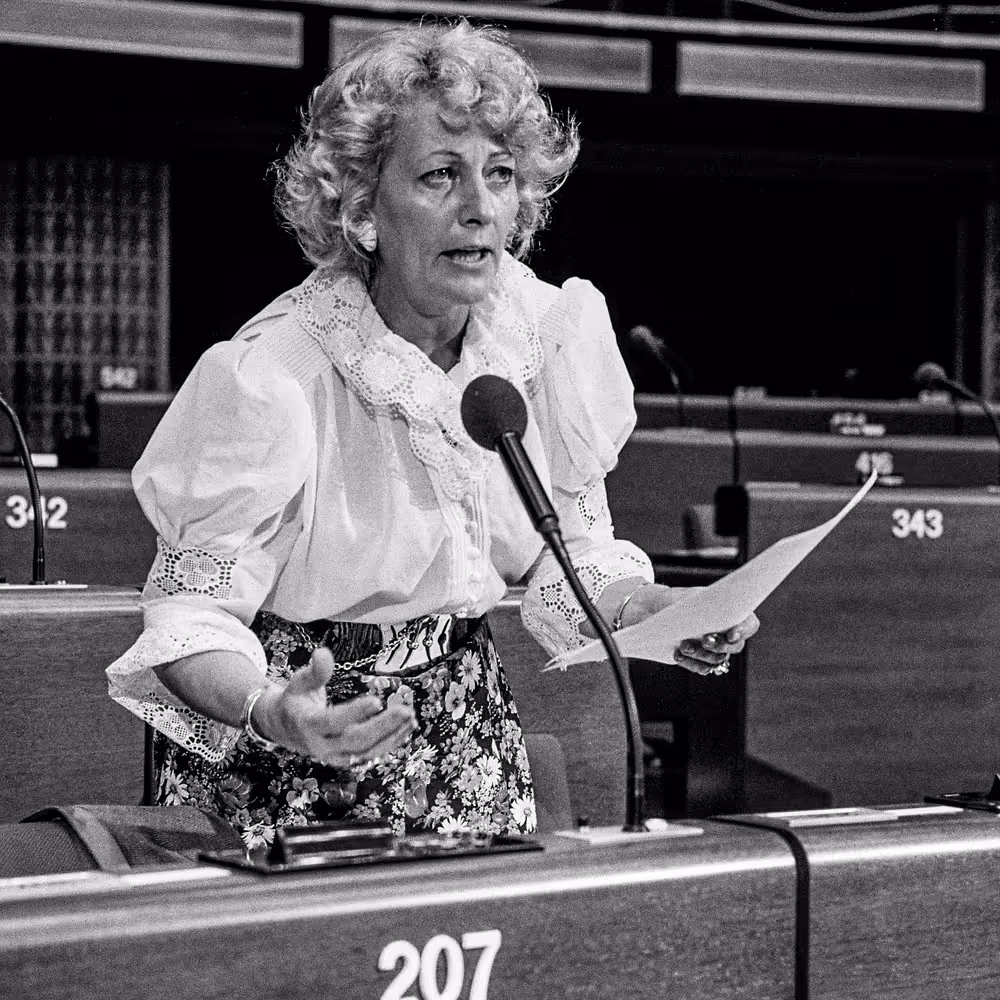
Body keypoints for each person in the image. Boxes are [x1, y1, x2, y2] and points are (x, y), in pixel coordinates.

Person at [106, 19, 758, 853]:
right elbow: (187, 618)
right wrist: (272, 707)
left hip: (463, 735)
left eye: (500, 174)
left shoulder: (537, 335)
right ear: (361, 208)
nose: (481, 208)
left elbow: (569, 557)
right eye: (441, 175)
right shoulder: (275, 377)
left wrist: (657, 609)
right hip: (293, 744)